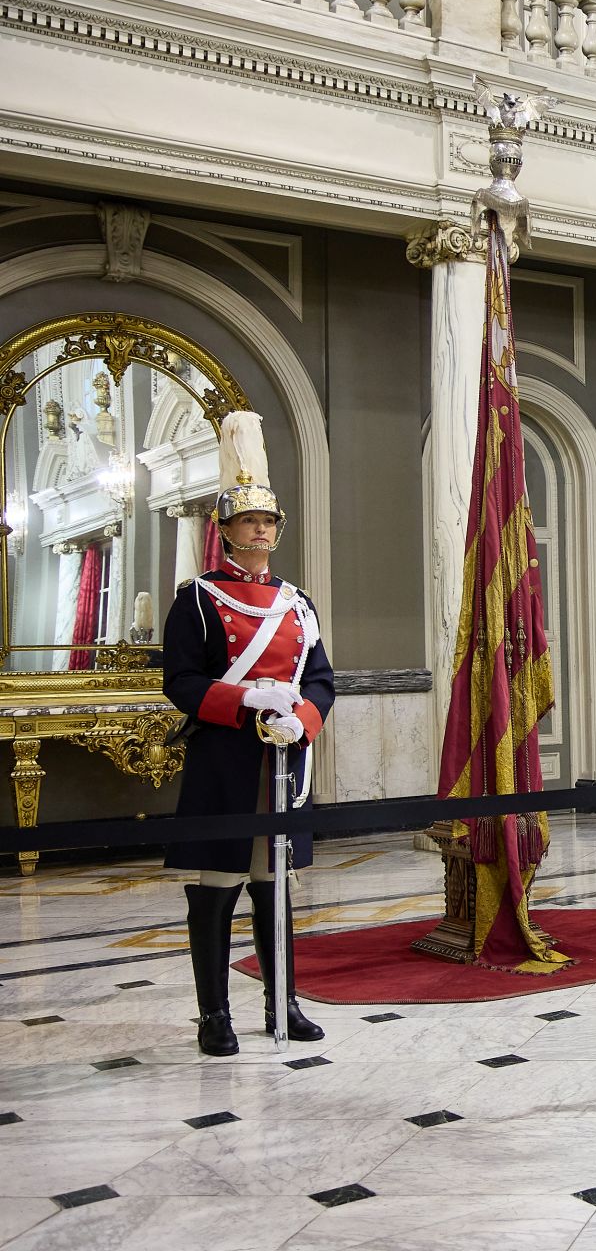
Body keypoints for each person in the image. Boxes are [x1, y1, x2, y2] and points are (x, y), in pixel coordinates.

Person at [164, 412, 333, 1057]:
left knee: (274, 884)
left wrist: (302, 717)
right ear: (226, 531)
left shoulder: (298, 602)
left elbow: (320, 677)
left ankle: (281, 1003)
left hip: (285, 762)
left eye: (269, 521)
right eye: (248, 521)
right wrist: (245, 703)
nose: (261, 530)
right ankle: (214, 1015)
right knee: (217, 886)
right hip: (225, 760)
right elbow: (179, 680)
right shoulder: (198, 598)